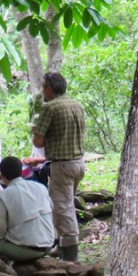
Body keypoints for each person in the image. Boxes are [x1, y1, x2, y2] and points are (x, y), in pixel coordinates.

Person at [32, 71, 86, 262]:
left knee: (63, 210)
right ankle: (62, 247)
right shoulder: (76, 104)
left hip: (62, 165)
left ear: (48, 88)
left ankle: (71, 258)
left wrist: (36, 131)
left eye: (43, 88)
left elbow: (37, 141)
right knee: (63, 206)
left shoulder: (50, 108)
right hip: (79, 163)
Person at [0, 156, 55, 261]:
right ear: (21, 172)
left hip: (25, 249)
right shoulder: (41, 188)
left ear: (1, 175)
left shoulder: (4, 195)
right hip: (48, 245)